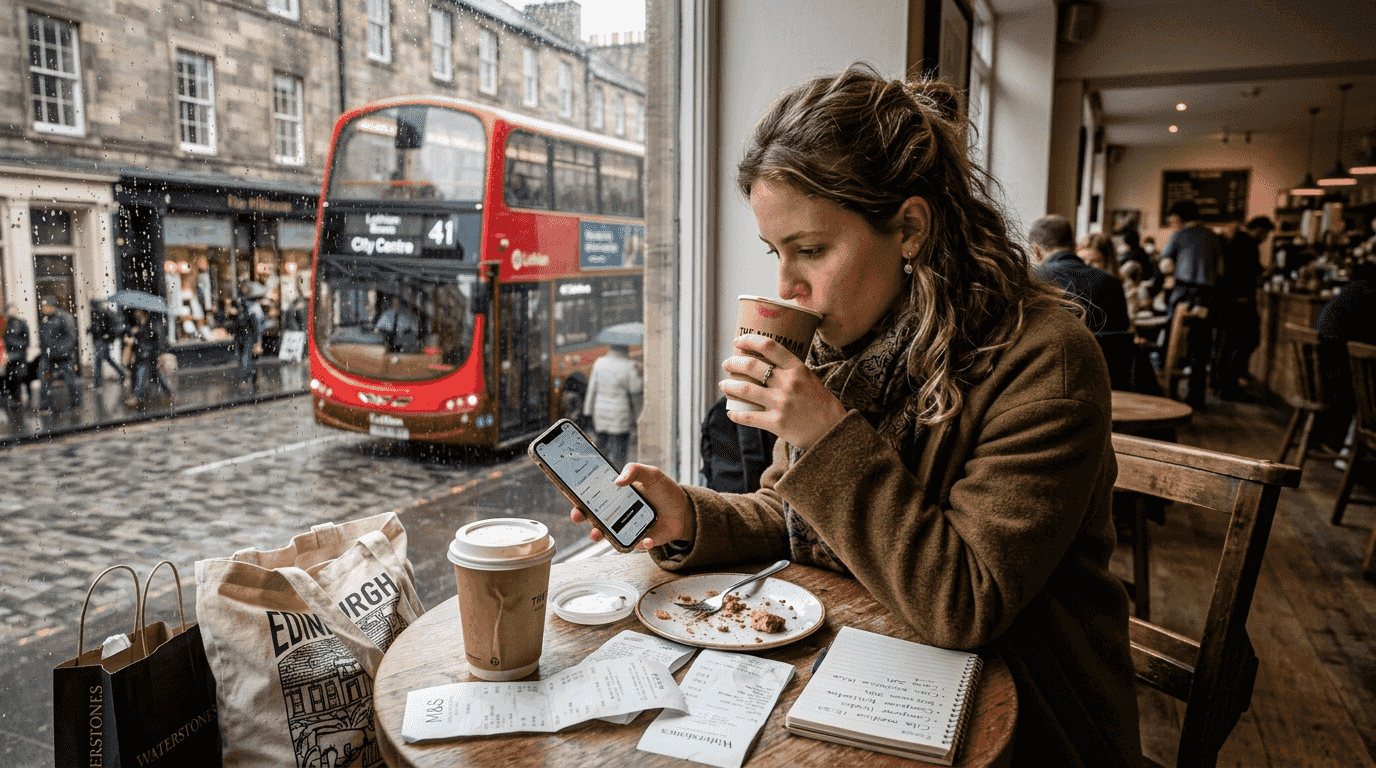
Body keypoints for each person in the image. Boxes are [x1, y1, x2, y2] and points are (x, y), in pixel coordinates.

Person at [571, 65, 1141, 766]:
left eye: (810, 250)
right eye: (776, 252)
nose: (787, 286)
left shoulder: (1047, 362)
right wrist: (687, 517)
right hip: (871, 686)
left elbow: (965, 602)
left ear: (908, 227)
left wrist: (825, 431)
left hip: (1029, 724)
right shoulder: (849, 345)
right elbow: (791, 515)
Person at [1162, 199, 1223, 407]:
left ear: (1178, 219)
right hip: (1207, 296)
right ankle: (1196, 397)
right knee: (1201, 347)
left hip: (1183, 294)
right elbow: (1221, 269)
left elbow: (1165, 264)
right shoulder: (1213, 236)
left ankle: (1167, 394)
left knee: (1172, 342)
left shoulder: (1178, 235)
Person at [1027, 215, 1131, 335]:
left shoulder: (1031, 279)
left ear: (1036, 250)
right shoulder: (1112, 283)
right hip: (1107, 353)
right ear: (1073, 245)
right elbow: (1123, 333)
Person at [1315, 259, 1376, 451]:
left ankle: (1337, 441)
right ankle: (1348, 445)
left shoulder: (1355, 288)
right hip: (1337, 352)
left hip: (1328, 347)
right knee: (1360, 390)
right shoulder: (1368, 292)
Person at [1211, 216, 1273, 399]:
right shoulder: (1248, 244)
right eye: (1266, 233)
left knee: (1226, 344)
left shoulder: (1234, 242)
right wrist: (1269, 272)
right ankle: (1229, 385)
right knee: (1249, 340)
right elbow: (1253, 274)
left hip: (1226, 302)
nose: (1265, 237)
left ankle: (1219, 384)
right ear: (1259, 229)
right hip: (1241, 302)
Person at [582, 343, 643, 469]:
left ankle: (597, 474)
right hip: (619, 414)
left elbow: (591, 389)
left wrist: (587, 411)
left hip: (600, 413)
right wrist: (639, 374)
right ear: (626, 348)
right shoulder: (629, 365)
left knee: (601, 446)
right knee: (620, 451)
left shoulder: (599, 362)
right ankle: (618, 477)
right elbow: (636, 388)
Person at [36, 296, 80, 412]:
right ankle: (45, 406)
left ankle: (76, 404)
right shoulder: (44, 319)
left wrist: (62, 351)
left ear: (51, 306)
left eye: (45, 306)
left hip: (63, 356)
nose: (43, 309)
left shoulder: (65, 317)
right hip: (47, 356)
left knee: (70, 380)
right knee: (44, 379)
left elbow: (71, 337)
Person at [124, 309, 173, 408]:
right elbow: (137, 339)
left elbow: (156, 339)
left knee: (142, 373)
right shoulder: (138, 324)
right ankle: (168, 392)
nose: (136, 314)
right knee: (156, 376)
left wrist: (160, 355)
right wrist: (133, 334)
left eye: (138, 312)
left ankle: (136, 396)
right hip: (140, 354)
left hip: (149, 354)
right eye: (135, 312)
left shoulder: (152, 324)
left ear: (144, 312)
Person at [87, 300, 127, 388]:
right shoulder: (97, 313)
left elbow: (103, 327)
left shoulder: (103, 313)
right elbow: (96, 326)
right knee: (108, 359)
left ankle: (97, 383)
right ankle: (122, 373)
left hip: (102, 340)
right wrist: (90, 329)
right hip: (100, 339)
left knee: (98, 361)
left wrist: (108, 336)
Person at [2, 302, 29, 422]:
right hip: (8, 357)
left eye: (15, 309)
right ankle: (13, 398)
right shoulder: (4, 323)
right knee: (10, 377)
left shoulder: (21, 323)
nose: (13, 311)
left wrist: (17, 346)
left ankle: (20, 398)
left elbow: (26, 340)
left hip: (19, 355)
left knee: (20, 376)